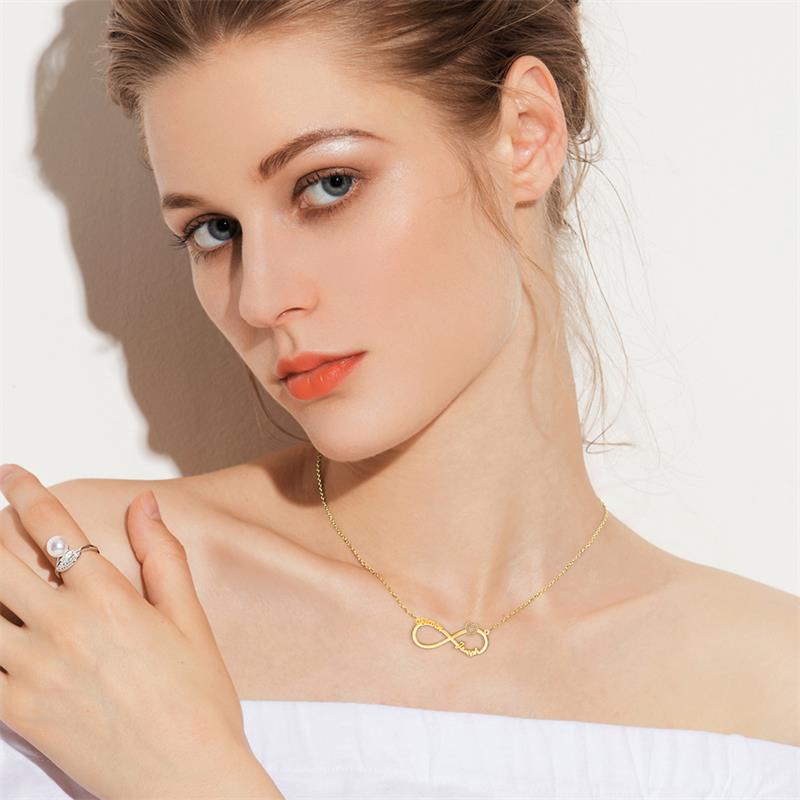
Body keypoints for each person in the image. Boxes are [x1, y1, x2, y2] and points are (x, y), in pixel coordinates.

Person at [1, 0, 798, 797]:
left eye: (328, 185)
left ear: (525, 133)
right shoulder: (82, 596)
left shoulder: (773, 693)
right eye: (214, 230)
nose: (262, 299)